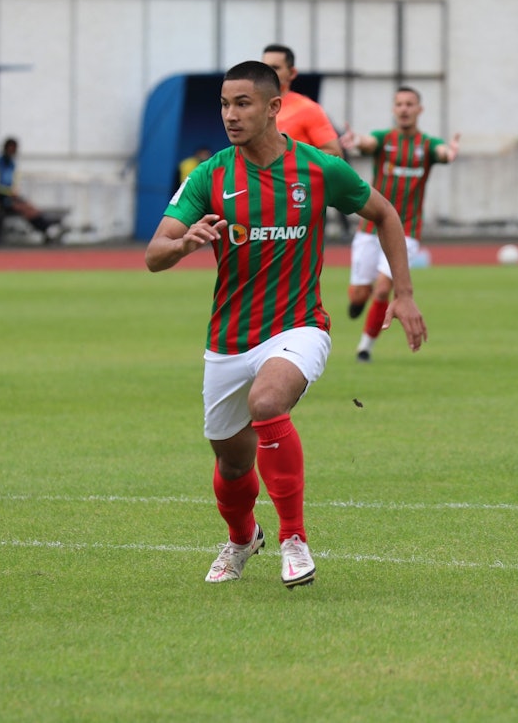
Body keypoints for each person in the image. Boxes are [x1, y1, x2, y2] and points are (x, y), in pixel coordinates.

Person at [145, 60, 427, 589]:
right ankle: (241, 538)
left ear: (274, 107)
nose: (230, 115)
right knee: (232, 466)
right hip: (229, 340)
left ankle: (294, 539)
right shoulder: (210, 175)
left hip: (300, 325)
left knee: (268, 404)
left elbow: (386, 214)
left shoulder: (320, 170)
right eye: (225, 104)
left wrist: (405, 295)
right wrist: (183, 244)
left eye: (243, 103)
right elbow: (154, 252)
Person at [340, 85, 460, 362]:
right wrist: (356, 140)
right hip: (370, 229)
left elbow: (441, 152)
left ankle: (364, 348)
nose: (404, 109)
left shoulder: (427, 145)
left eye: (410, 104)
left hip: (406, 232)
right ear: (394, 110)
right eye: (399, 104)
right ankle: (360, 298)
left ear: (419, 110)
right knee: (359, 294)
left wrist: (449, 153)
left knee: (384, 287)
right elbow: (368, 143)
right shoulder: (384, 139)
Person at [261, 43, 353, 240]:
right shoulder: (253, 109)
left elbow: (334, 152)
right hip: (260, 201)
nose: (268, 73)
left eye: (275, 68)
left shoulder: (308, 109)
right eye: (264, 67)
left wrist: (292, 165)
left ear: (292, 73)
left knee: (293, 268)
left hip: (297, 203)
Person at [0, 137, 64, 243]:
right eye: (10, 148)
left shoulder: (12, 164)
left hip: (9, 196)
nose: (12, 151)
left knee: (29, 206)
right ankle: (47, 228)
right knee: (23, 208)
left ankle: (47, 229)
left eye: (14, 149)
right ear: (5, 148)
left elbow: (13, 183)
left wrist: (13, 192)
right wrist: (9, 192)